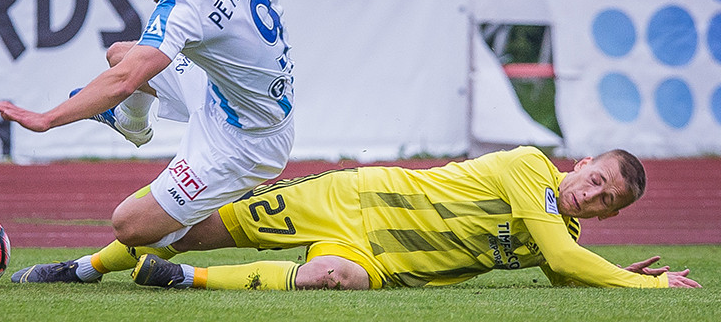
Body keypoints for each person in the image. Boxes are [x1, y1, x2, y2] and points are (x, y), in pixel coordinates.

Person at [0, 0, 379, 283]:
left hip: (245, 141)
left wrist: (46, 119)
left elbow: (124, 82)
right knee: (121, 53)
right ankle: (133, 124)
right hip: (219, 89)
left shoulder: (184, 6)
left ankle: (121, 261)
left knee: (129, 224)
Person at [129, 146, 701, 289]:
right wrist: (642, 286)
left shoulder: (562, 234)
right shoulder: (531, 167)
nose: (593, 196)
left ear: (607, 218)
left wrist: (622, 276)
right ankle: (84, 267)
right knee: (196, 228)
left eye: (608, 202)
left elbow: (564, 269)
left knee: (333, 279)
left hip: (382, 262)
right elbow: (564, 259)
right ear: (580, 164)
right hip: (355, 198)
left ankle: (178, 280)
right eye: (596, 180)